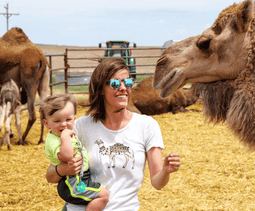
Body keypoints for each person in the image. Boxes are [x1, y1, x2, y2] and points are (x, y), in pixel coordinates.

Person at [46, 57, 181, 211]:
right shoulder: (81, 126)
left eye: (128, 82)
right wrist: (63, 170)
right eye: (115, 83)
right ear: (100, 89)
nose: (123, 88)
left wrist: (166, 170)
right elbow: (51, 176)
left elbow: (157, 182)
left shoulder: (147, 126)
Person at [41, 93, 109, 211]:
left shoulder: (66, 133)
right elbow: (67, 156)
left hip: (78, 179)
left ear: (74, 118)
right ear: (46, 123)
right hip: (73, 181)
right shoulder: (55, 140)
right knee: (103, 195)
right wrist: (65, 137)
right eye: (57, 121)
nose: (63, 124)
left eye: (68, 119)